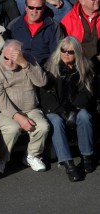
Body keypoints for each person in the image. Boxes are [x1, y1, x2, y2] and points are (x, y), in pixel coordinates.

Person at [39, 36, 95, 181]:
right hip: (55, 108)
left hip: (76, 106)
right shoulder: (49, 66)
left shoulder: (85, 66)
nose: (65, 54)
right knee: (56, 121)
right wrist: (62, 112)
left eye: (70, 52)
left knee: (84, 117)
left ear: (76, 53)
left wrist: (75, 108)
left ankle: (87, 157)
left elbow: (87, 91)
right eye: (63, 50)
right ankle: (68, 164)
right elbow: (45, 94)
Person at [0, 39, 49, 173]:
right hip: (6, 110)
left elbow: (42, 82)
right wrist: (18, 117)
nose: (10, 62)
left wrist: (25, 64)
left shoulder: (28, 60)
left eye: (14, 59)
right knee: (12, 128)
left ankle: (32, 155)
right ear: (2, 53)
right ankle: (2, 158)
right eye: (6, 58)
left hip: (30, 108)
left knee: (43, 127)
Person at [7, 0, 64, 67]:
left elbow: (56, 55)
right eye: (31, 7)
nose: (34, 12)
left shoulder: (54, 26)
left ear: (43, 8)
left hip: (45, 71)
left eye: (38, 8)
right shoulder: (14, 25)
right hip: (19, 70)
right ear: (25, 7)